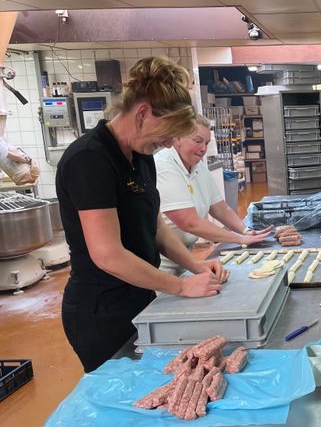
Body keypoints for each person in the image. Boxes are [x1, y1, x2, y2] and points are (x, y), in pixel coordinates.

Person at [56, 57, 227, 372]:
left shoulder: (140, 156)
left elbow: (156, 228)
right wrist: (179, 286)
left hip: (142, 296)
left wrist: (195, 267)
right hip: (102, 310)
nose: (165, 144)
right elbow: (107, 254)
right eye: (166, 134)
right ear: (144, 113)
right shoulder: (89, 160)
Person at [154, 114, 272, 276]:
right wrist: (239, 239)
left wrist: (245, 231)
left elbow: (219, 208)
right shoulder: (163, 166)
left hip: (185, 258)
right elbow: (189, 223)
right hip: (160, 264)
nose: (203, 148)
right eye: (197, 141)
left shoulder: (198, 167)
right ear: (178, 138)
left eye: (206, 142)